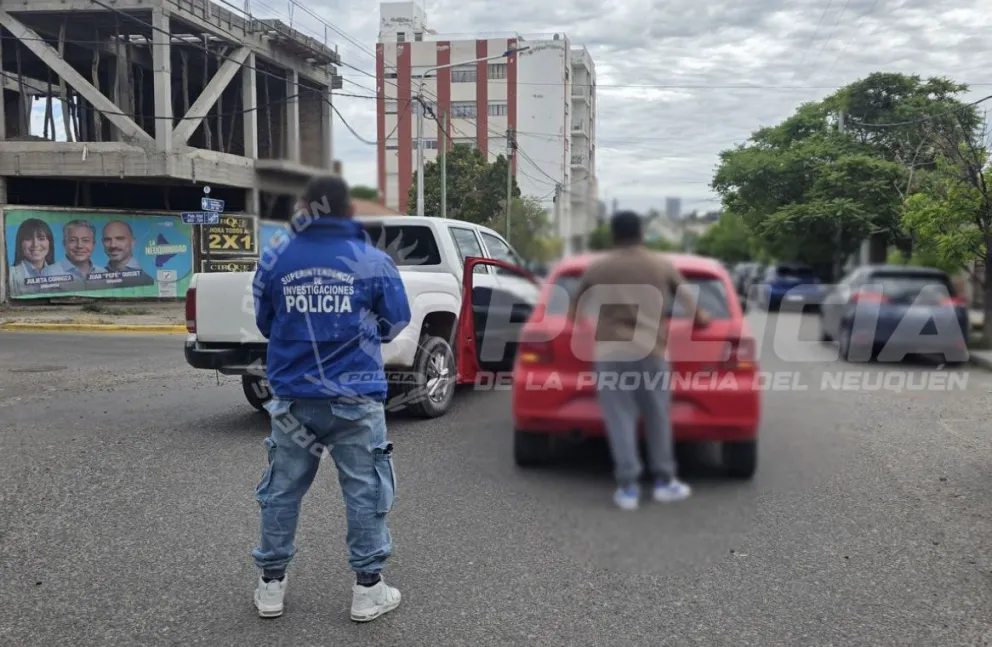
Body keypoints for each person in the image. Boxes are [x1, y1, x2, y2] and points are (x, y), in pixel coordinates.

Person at [250, 175, 411, 622]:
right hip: (356, 398)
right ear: (348, 210)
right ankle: (368, 590)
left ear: (305, 206)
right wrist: (364, 335)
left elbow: (266, 321)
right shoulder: (371, 260)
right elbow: (396, 320)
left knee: (282, 491)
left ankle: (271, 586)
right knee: (365, 493)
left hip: (292, 398)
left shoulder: (276, 258)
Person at [566, 210, 710, 511]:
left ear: (614, 235)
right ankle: (664, 482)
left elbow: (574, 311)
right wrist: (701, 321)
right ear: (641, 233)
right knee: (658, 416)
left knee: (620, 418)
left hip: (610, 354)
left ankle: (628, 488)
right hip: (651, 351)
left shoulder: (598, 268)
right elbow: (693, 309)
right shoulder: (661, 265)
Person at [8, 218, 58, 298]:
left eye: (41, 238)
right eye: (28, 239)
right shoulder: (10, 275)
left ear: (50, 243)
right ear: (20, 243)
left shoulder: (61, 273)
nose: (35, 244)